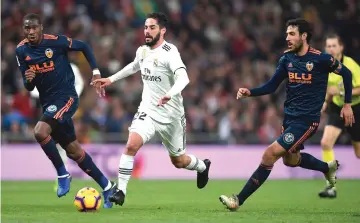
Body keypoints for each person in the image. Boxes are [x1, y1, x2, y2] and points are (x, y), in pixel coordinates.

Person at [219, 18, 355, 211]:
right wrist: (251, 92)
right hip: (290, 118)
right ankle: (327, 168)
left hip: (307, 120)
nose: (287, 38)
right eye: (286, 34)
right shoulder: (287, 60)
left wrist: (347, 104)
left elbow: (347, 74)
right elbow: (272, 86)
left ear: (304, 36)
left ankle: (237, 200)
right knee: (290, 160)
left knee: (269, 154)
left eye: (292, 34)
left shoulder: (321, 59)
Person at [91, 12, 211, 206]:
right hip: (148, 110)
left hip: (172, 115)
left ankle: (202, 166)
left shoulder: (170, 52)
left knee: (179, 161)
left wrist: (170, 94)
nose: (147, 31)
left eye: (152, 27)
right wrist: (110, 79)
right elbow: (133, 66)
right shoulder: (143, 51)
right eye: (145, 27)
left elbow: (184, 78)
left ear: (162, 30)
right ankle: (120, 191)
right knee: (131, 145)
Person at [15, 13, 116, 208]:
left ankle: (62, 174)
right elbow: (28, 86)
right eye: (27, 28)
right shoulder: (21, 51)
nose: (31, 32)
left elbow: (84, 46)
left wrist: (95, 71)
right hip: (48, 103)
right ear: (24, 30)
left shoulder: (56, 42)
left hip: (67, 97)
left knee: (40, 131)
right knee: (74, 151)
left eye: (34, 27)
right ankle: (107, 186)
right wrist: (28, 79)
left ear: (41, 27)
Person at [29, 63, 85, 191]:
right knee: (56, 142)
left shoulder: (71, 67)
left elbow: (80, 83)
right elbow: (33, 90)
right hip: (48, 107)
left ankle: (63, 174)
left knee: (67, 144)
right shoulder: (41, 66)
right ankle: (62, 174)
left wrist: (70, 97)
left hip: (66, 106)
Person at [318, 34, 360, 198]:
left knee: (358, 153)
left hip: (356, 109)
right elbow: (329, 89)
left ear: (341, 47)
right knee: (325, 143)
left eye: (334, 45)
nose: (331, 49)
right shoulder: (325, 66)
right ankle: (331, 187)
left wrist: (341, 91)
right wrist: (325, 102)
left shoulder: (351, 65)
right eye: (328, 46)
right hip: (337, 107)